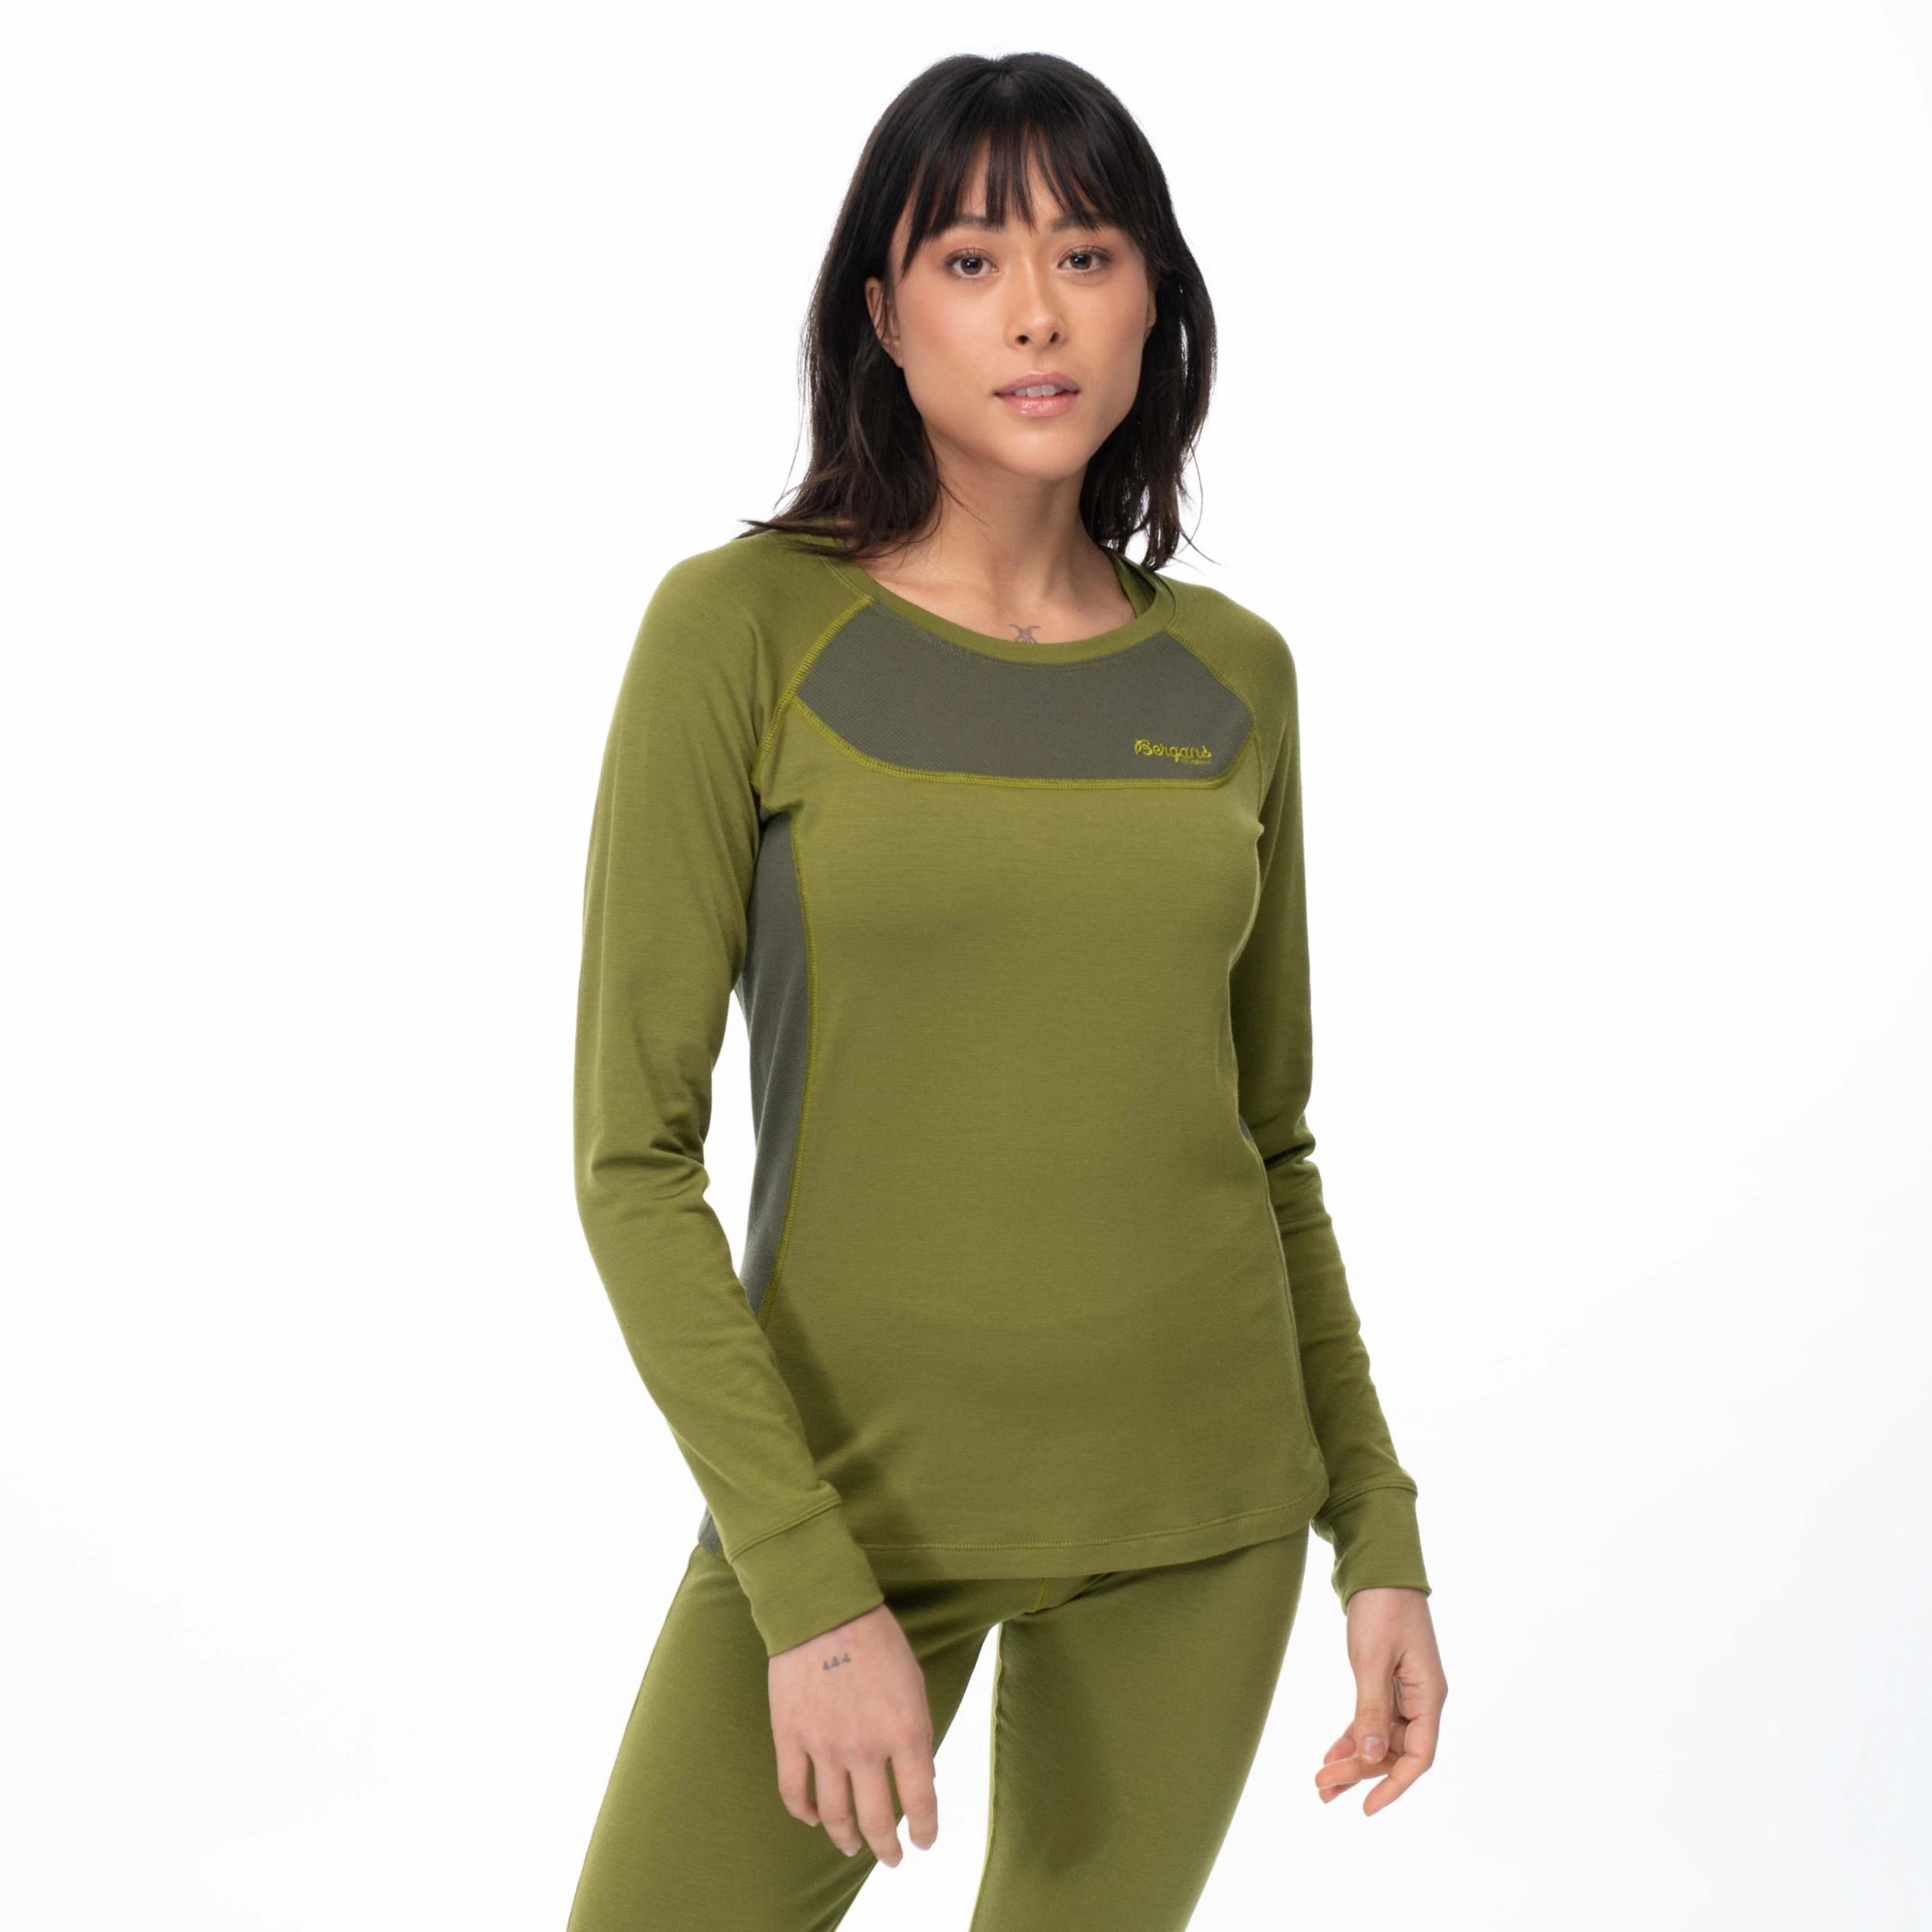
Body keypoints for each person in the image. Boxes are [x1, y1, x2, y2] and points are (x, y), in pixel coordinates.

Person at [566, 49, 1448, 1931]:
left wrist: (1373, 1527)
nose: (1035, 311)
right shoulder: (740, 630)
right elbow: (631, 1160)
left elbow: (1265, 1137)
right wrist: (804, 1584)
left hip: (1198, 1515)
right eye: (969, 261)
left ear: (1153, 301)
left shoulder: (1233, 676)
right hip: (844, 1509)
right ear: (883, 315)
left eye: (1086, 252)